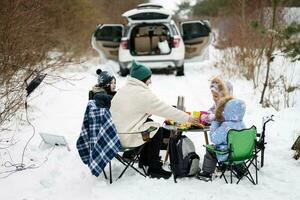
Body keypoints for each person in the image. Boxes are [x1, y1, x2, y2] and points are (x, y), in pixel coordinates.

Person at [110, 60, 198, 179]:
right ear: (142, 79)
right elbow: (166, 110)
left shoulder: (124, 90)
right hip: (127, 137)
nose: (150, 81)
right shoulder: (143, 94)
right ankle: (153, 167)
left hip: (114, 137)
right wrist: (188, 118)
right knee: (156, 129)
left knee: (148, 124)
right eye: (149, 78)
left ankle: (144, 161)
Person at [197, 96, 247, 181]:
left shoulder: (226, 126)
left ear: (227, 111)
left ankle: (206, 173)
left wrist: (215, 122)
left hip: (227, 155)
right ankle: (241, 170)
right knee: (234, 149)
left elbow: (214, 139)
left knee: (211, 150)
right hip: (241, 153)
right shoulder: (241, 124)